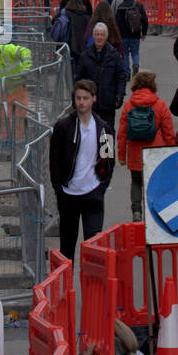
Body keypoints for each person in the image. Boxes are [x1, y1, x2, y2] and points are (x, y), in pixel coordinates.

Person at [49, 80, 116, 259]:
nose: (81, 102)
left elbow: (109, 160)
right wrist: (59, 189)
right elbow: (54, 161)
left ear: (94, 99)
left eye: (85, 98)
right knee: (67, 248)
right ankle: (67, 286)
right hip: (68, 194)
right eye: (78, 98)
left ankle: (91, 285)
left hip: (93, 194)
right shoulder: (63, 127)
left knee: (93, 247)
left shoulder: (104, 128)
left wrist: (101, 187)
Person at [115, 71, 176, 222]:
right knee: (154, 182)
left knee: (136, 182)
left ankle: (137, 211)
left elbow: (122, 134)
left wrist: (122, 156)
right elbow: (169, 132)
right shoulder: (159, 104)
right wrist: (170, 152)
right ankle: (153, 210)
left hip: (136, 151)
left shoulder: (129, 105)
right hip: (155, 151)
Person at [0, 34, 34, 146]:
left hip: (18, 87)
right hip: (4, 91)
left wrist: (26, 68)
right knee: (4, 116)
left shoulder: (7, 49)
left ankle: (19, 139)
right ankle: (4, 140)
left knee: (19, 114)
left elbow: (25, 51)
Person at [74, 23, 127, 128]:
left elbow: (121, 76)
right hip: (89, 102)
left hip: (108, 101)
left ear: (106, 37)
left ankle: (106, 145)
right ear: (93, 36)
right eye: (97, 34)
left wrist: (120, 94)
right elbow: (78, 78)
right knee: (89, 130)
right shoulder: (85, 55)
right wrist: (76, 97)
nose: (99, 37)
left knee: (107, 131)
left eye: (102, 35)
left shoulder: (114, 55)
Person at [115, 0, 149, 77]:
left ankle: (126, 73)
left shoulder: (120, 7)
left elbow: (116, 23)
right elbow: (145, 20)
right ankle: (136, 64)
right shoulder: (138, 5)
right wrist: (144, 33)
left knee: (125, 54)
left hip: (123, 35)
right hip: (136, 33)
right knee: (135, 52)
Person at [56, 0, 94, 68]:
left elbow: (54, 23)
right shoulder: (86, 16)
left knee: (67, 69)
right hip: (83, 46)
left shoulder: (65, 14)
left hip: (67, 45)